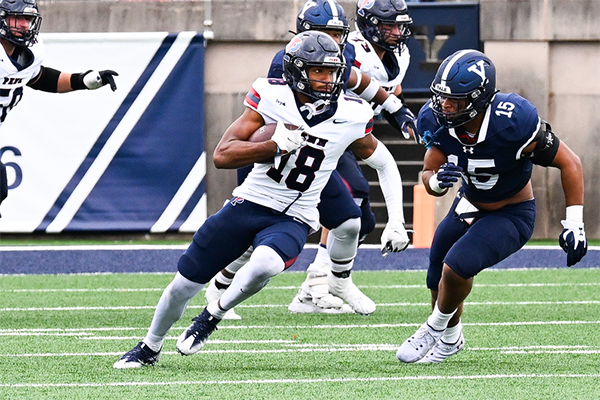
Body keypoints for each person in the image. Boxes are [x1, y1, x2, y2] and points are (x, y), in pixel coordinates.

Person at [114, 31, 409, 368]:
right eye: (318, 72)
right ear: (297, 71)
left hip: (295, 215)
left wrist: (397, 222)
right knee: (181, 286)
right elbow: (223, 156)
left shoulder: (351, 114)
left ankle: (212, 315)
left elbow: (384, 162)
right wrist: (272, 146)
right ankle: (149, 347)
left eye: (332, 72)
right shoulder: (271, 97)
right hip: (250, 203)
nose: (328, 80)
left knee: (266, 264)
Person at [205, 0, 415, 318]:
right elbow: (282, 124)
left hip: (323, 147)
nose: (330, 44)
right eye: (324, 33)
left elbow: (357, 80)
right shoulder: (287, 63)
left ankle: (323, 283)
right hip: (281, 153)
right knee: (257, 231)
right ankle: (222, 286)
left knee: (355, 221)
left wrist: (394, 107)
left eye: (336, 34)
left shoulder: (345, 58)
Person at [395, 49, 587, 364]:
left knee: (457, 265)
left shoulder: (514, 121)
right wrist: (437, 183)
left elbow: (570, 162)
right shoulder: (436, 121)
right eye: (442, 97)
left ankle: (433, 328)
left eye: (455, 100)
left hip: (512, 211)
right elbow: (427, 174)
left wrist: (575, 223)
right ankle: (452, 339)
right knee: (436, 269)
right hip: (469, 202)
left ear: (479, 99)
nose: (444, 106)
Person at [0, 0, 118, 211]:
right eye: (19, 18)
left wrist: (83, 80)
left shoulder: (27, 55)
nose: (26, 25)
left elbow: (40, 78)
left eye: (28, 19)